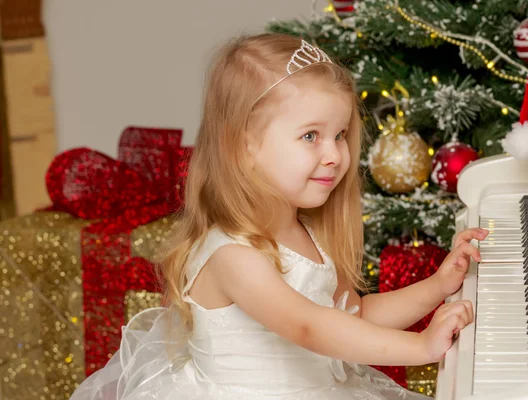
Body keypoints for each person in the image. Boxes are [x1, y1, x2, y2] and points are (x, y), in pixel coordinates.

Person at [70, 33, 487, 400]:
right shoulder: (232, 253)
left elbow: (356, 314)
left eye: (340, 135)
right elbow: (309, 326)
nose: (334, 154)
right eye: (311, 136)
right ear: (242, 147)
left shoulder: (305, 230)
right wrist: (419, 348)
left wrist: (438, 286)